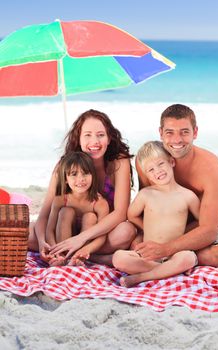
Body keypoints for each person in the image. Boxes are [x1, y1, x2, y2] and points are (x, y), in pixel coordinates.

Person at [28, 109, 136, 265]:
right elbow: (44, 215)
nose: (95, 142)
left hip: (99, 233)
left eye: (100, 135)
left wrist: (80, 239)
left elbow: (120, 213)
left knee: (126, 232)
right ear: (78, 139)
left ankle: (85, 254)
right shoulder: (64, 166)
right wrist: (43, 244)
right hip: (63, 229)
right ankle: (78, 255)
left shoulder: (119, 162)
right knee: (25, 233)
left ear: (109, 137)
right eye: (87, 135)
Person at [135, 104, 218, 267]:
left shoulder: (212, 169)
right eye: (170, 132)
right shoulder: (148, 162)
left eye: (184, 132)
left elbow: (209, 230)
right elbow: (147, 207)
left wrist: (166, 249)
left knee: (206, 255)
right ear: (161, 133)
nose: (177, 140)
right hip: (182, 220)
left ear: (195, 132)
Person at [112, 141, 200, 287]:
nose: (157, 171)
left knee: (189, 257)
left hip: (174, 253)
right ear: (147, 175)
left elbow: (201, 222)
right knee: (118, 258)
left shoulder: (188, 196)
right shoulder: (146, 194)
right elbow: (131, 215)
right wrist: (146, 228)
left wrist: (184, 235)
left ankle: (140, 278)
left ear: (171, 162)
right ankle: (170, 271)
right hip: (149, 255)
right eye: (150, 169)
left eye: (160, 164)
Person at [45, 151, 109, 266]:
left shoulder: (99, 203)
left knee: (90, 216)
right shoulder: (60, 200)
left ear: (92, 176)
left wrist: (85, 251)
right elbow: (50, 230)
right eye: (74, 174)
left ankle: (78, 258)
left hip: (84, 243)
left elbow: (101, 237)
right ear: (65, 178)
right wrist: (55, 251)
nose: (81, 179)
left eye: (85, 173)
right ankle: (63, 256)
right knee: (66, 211)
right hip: (63, 241)